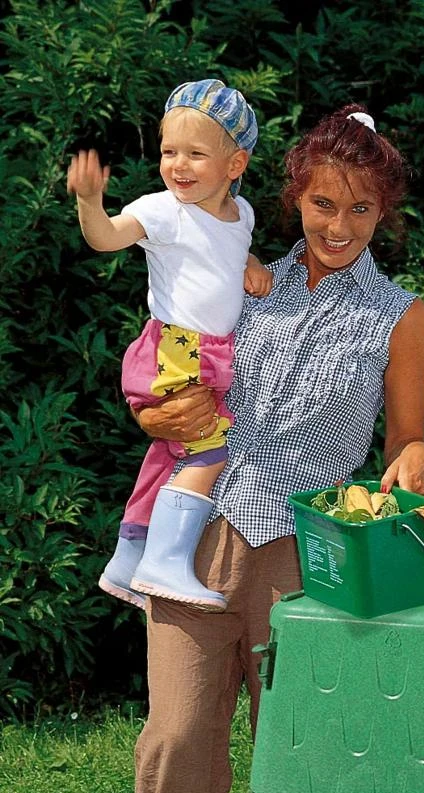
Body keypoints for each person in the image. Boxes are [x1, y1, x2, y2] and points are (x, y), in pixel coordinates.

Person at [113, 104, 424, 793]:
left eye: (361, 208)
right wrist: (154, 412)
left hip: (307, 556)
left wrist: (411, 464)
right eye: (324, 203)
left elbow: (407, 437)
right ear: (294, 198)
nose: (339, 225)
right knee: (175, 744)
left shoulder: (399, 318)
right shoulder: (237, 273)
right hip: (196, 534)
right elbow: (167, 368)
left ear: (384, 212)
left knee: (306, 754)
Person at [67, 78, 272, 613]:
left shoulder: (242, 214)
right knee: (210, 449)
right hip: (174, 349)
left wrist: (248, 263)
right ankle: (166, 560)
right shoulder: (163, 210)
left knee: (169, 455)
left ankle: (128, 558)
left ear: (235, 164)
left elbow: (223, 251)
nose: (178, 165)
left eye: (195, 154)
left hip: (210, 353)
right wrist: (90, 202)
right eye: (168, 151)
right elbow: (105, 237)